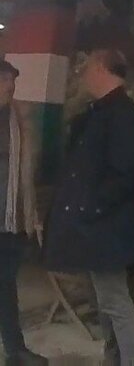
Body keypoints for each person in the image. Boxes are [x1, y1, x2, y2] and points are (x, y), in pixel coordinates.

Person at [43, 50, 134, 366]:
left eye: (87, 66)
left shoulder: (121, 113)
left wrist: (88, 208)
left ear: (102, 68)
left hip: (106, 228)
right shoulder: (101, 110)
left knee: (115, 302)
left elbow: (122, 175)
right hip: (99, 227)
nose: (82, 73)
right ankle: (113, 359)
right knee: (106, 303)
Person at [0, 60, 45, 365]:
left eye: (12, 81)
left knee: (6, 286)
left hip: (11, 220)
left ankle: (15, 349)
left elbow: (29, 174)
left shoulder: (20, 119)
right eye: (4, 81)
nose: (11, 87)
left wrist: (32, 214)